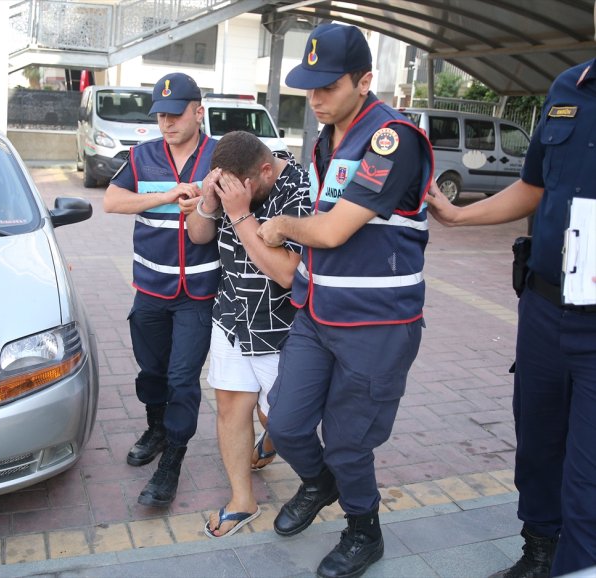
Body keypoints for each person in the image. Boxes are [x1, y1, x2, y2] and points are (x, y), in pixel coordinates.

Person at [256, 23, 433, 578]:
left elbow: (332, 231)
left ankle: (364, 530)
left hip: (376, 323)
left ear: (364, 81)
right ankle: (320, 483)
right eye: (309, 87)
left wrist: (280, 225)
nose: (315, 98)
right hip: (317, 310)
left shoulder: (391, 138)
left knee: (349, 441)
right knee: (284, 423)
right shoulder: (327, 138)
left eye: (328, 86)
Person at [425, 51, 596, 577]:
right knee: (538, 440)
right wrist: (457, 216)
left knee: (588, 471)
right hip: (545, 307)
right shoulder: (570, 87)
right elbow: (534, 185)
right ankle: (540, 551)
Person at [186, 131, 311, 538]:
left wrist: (241, 214)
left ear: (264, 170)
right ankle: (243, 500)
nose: (232, 196)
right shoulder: (231, 182)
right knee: (230, 408)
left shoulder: (300, 189)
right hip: (232, 318)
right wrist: (208, 203)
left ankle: (279, 444)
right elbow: (198, 236)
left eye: (242, 190)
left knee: (285, 420)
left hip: (283, 329)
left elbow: (287, 272)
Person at [103, 72, 219, 508]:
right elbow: (112, 201)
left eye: (175, 114)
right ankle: (155, 428)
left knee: (182, 379)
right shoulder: (142, 156)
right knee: (151, 373)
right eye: (160, 115)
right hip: (151, 287)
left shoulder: (218, 157)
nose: (166, 123)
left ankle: (172, 460)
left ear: (198, 111)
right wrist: (167, 196)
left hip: (199, 292)